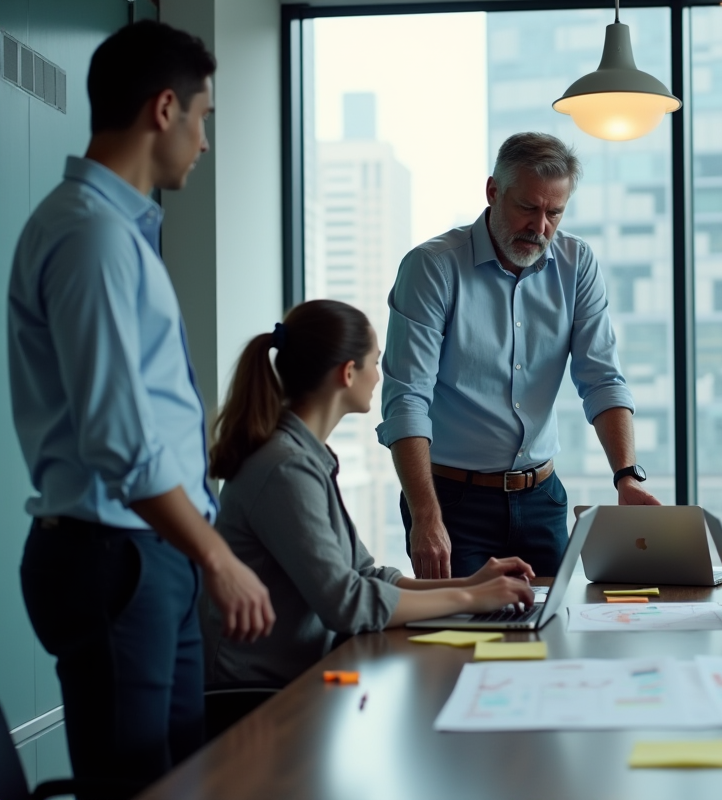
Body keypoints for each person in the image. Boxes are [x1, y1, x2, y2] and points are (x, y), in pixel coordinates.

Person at [8, 21, 274, 798]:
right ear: (165, 109)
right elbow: (122, 441)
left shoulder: (117, 234)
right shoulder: (90, 238)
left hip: (148, 552)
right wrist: (219, 557)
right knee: (133, 787)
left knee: (176, 777)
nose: (205, 142)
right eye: (205, 120)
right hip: (114, 554)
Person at [204, 300, 536, 686]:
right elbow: (346, 603)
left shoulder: (305, 456)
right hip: (256, 695)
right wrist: (471, 601)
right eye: (375, 363)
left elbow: (365, 574)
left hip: (298, 678)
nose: (378, 377)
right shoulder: (284, 466)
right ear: (348, 373)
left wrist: (469, 583)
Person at [379, 132, 660, 580]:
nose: (540, 227)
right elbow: (407, 399)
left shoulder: (576, 263)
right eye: (528, 208)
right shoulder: (432, 267)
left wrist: (626, 474)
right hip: (453, 503)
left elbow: (602, 378)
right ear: (493, 192)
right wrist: (426, 516)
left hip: (542, 499)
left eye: (555, 212)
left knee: (556, 635)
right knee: (467, 640)